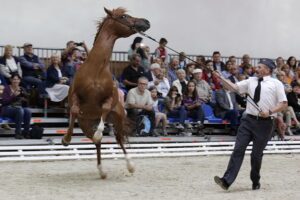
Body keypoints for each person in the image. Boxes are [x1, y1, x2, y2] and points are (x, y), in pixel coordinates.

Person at [213, 59, 287, 190]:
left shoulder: (276, 84)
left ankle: (255, 180)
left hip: (265, 123)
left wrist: (270, 111)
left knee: (256, 155)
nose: (256, 68)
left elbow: (283, 103)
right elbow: (234, 87)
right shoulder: (250, 80)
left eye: (259, 67)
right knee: (238, 149)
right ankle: (226, 180)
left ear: (267, 69)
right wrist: (221, 78)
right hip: (248, 121)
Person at [0, 73, 32, 139]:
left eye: (17, 79)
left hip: (19, 109)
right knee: (20, 110)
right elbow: (4, 102)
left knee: (28, 110)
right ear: (11, 80)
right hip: (7, 109)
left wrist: (25, 99)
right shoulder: (7, 89)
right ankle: (18, 133)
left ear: (20, 80)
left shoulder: (22, 89)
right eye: (14, 79)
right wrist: (14, 96)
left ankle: (26, 133)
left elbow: (25, 104)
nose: (16, 81)